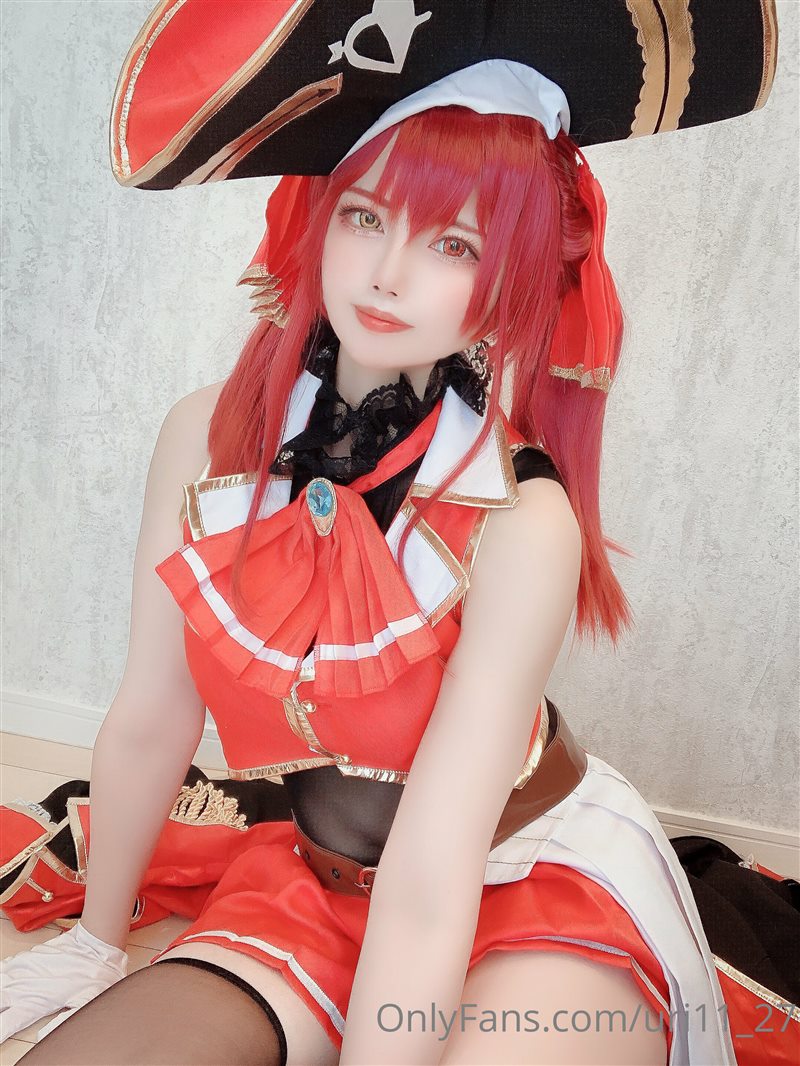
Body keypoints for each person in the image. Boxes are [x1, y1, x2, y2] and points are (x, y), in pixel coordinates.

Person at [2, 2, 790, 1065]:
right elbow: (152, 714)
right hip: (316, 883)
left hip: (520, 879)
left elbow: (431, 872)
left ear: (513, 277)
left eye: (453, 242)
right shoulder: (204, 438)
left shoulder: (523, 521)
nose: (387, 273)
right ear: (316, 216)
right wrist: (97, 945)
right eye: (365, 216)